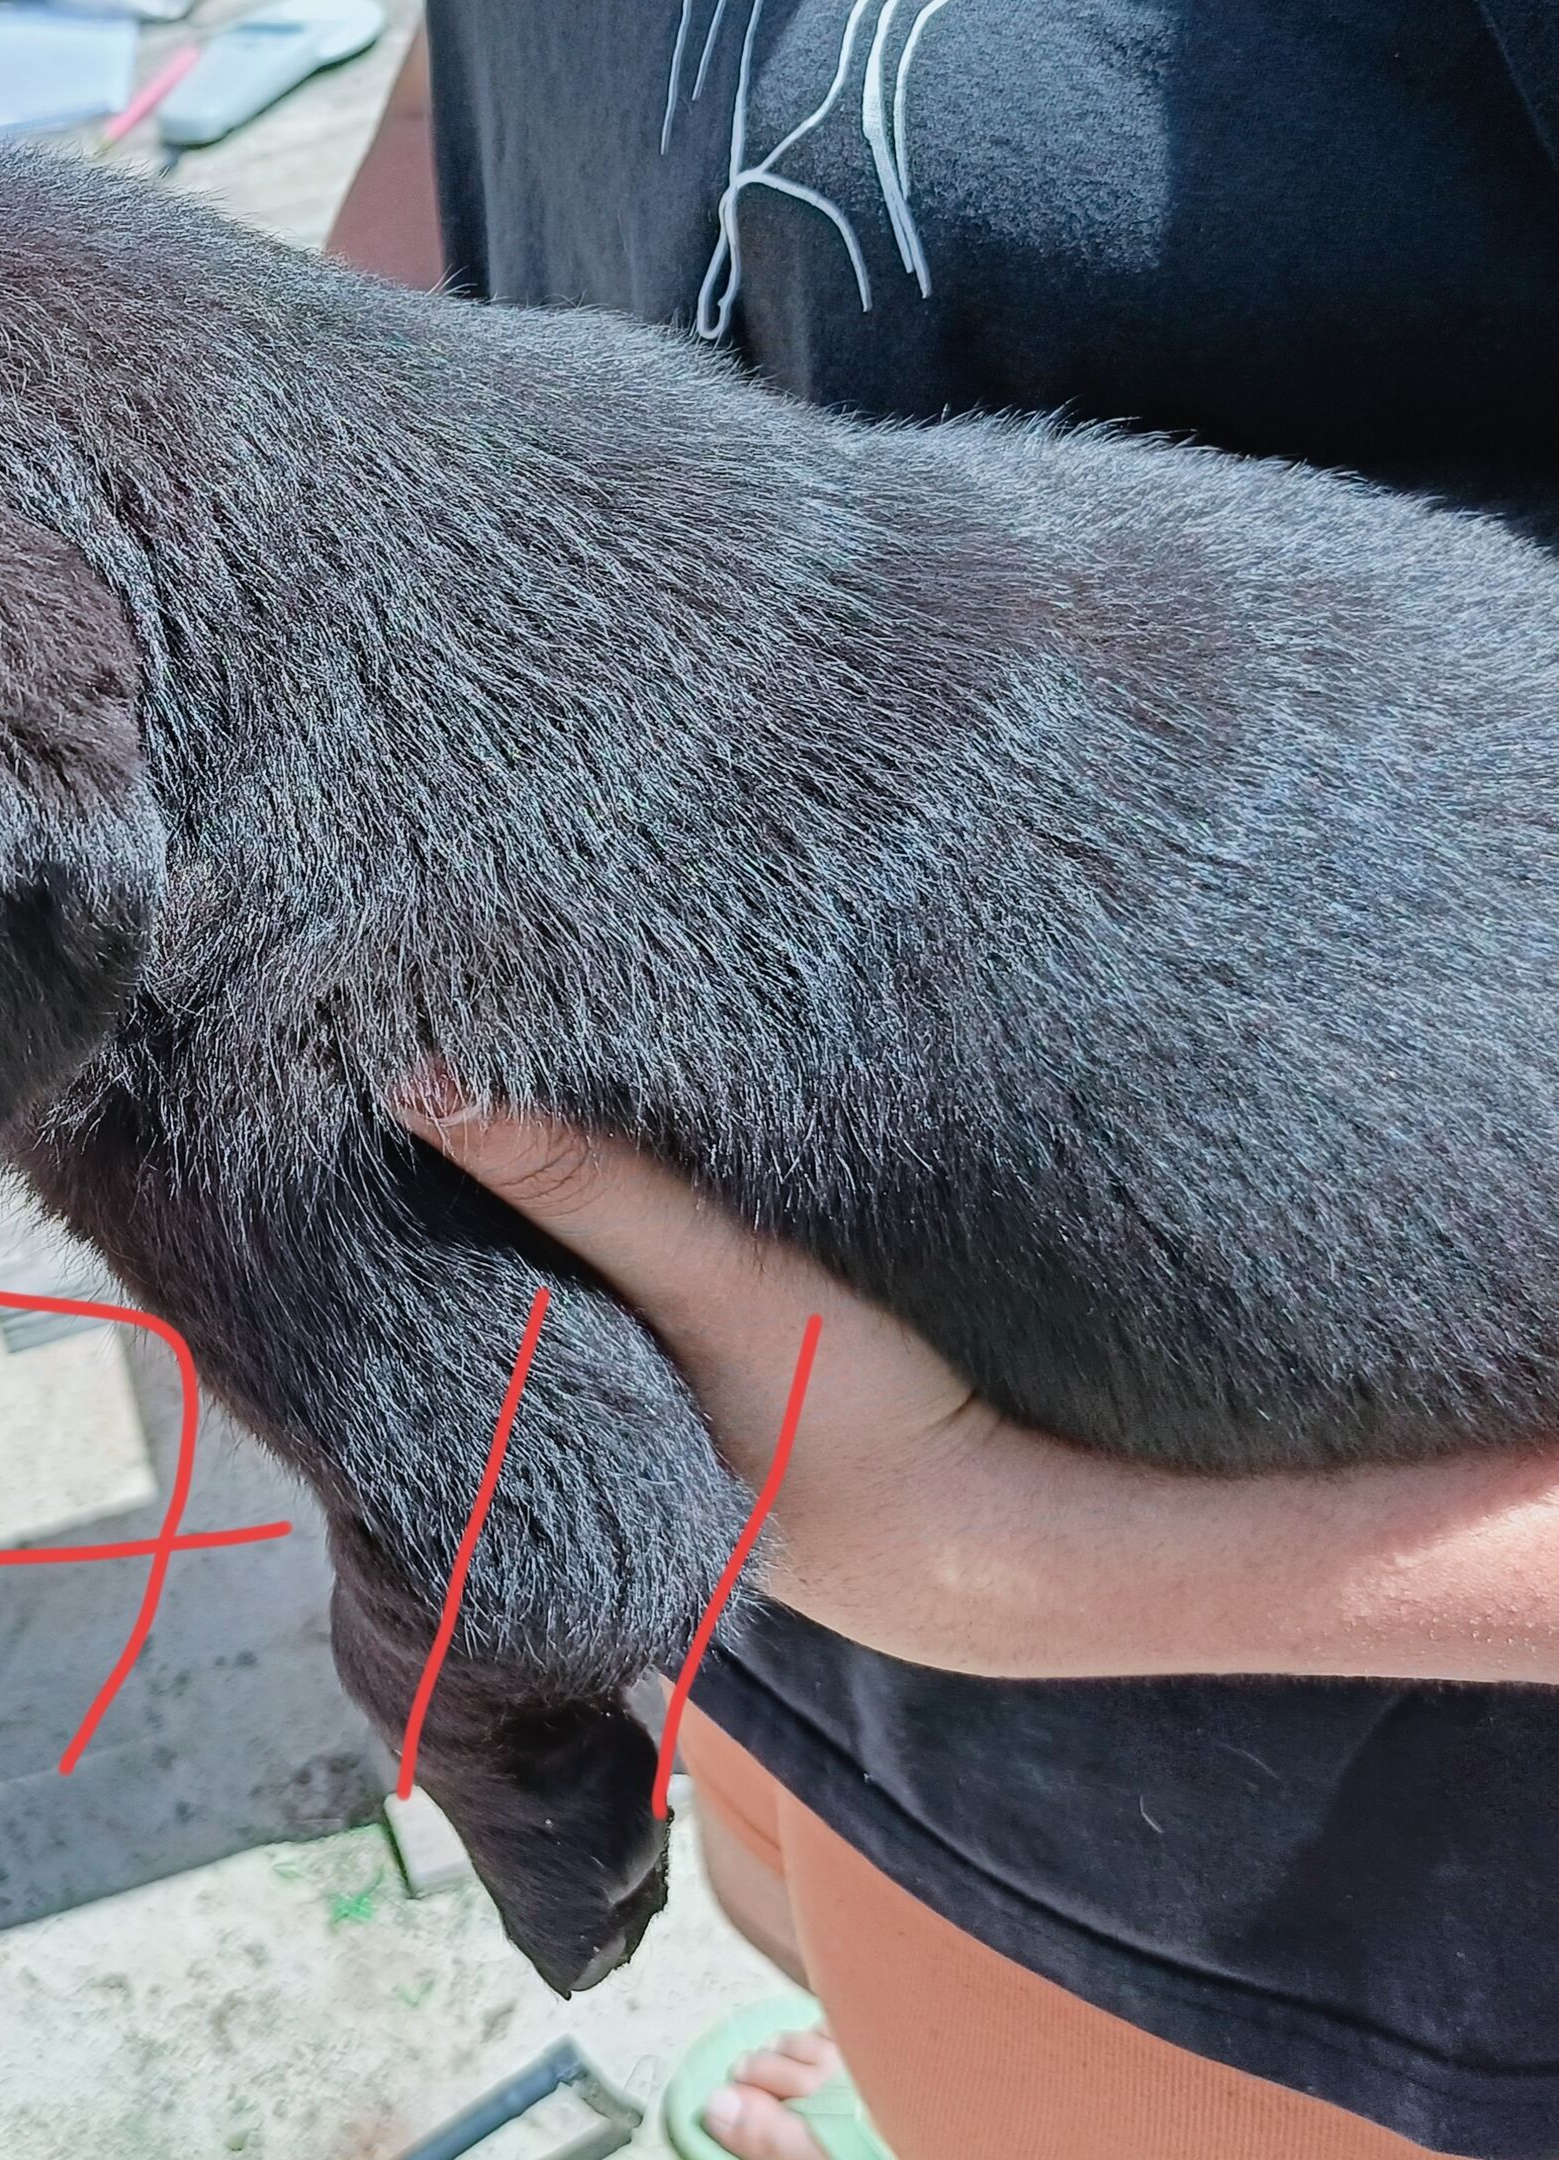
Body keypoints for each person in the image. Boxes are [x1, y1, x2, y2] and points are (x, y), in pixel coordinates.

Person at [330, 7, 1559, 2157]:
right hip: (772, 1508)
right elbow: (476, 95)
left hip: (1291, 1744)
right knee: (770, 1908)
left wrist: (1036, 1559)